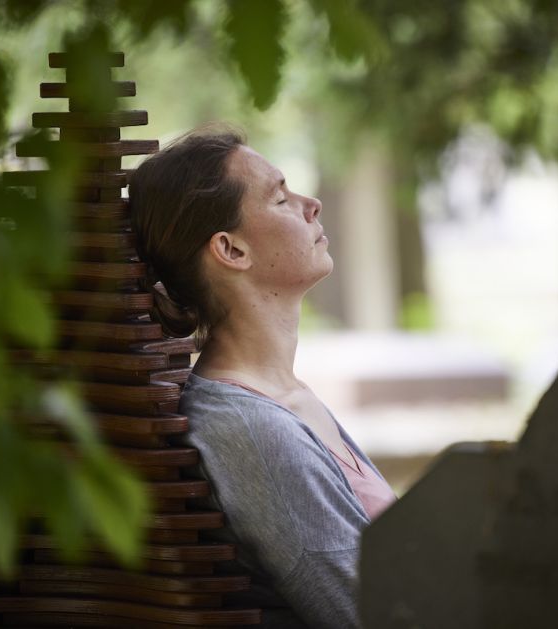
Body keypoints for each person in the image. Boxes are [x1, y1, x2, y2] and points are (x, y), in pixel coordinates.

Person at [129, 127, 396, 628]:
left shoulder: (286, 398)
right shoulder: (252, 431)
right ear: (231, 250)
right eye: (280, 197)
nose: (311, 203)